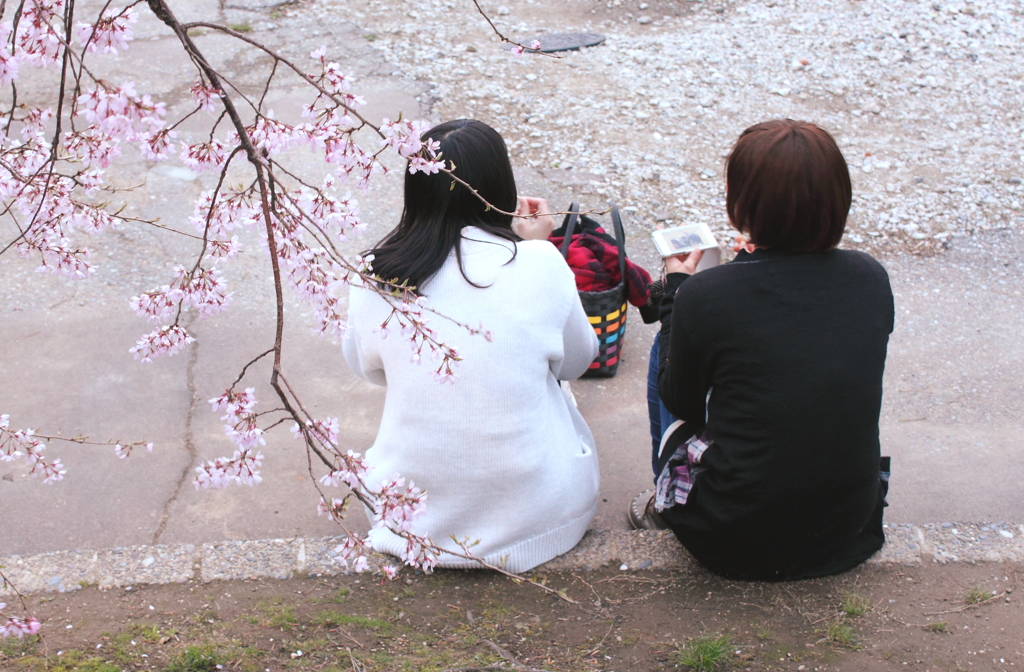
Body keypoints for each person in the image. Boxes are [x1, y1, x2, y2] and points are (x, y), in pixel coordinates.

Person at [631, 119, 894, 581]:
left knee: (664, 352)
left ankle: (663, 498)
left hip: (732, 537)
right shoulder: (870, 277)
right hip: (845, 530)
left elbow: (684, 399)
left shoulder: (707, 295)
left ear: (741, 204)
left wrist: (675, 292)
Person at [343, 119, 600, 573]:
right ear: (501, 187)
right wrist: (534, 246)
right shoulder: (540, 263)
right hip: (539, 520)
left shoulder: (375, 273)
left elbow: (367, 368)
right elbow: (577, 360)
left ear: (414, 189)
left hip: (407, 519)